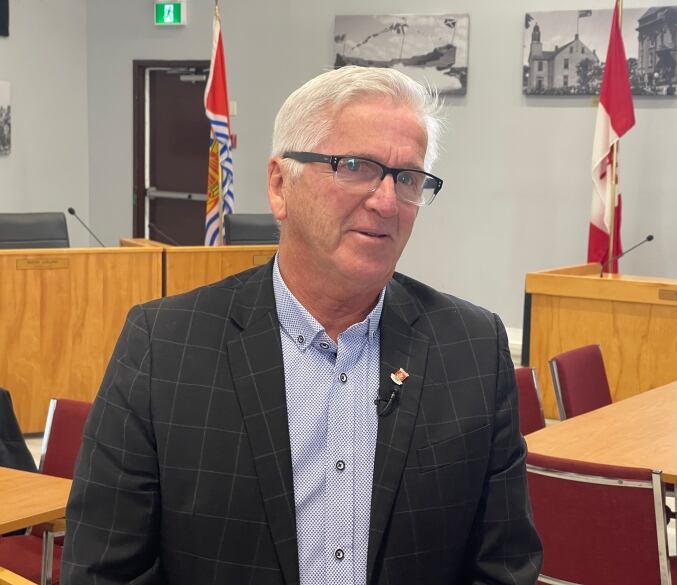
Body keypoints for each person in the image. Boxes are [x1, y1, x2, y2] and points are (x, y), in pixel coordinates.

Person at [63, 66, 542, 585]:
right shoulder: (165, 348)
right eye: (354, 165)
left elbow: (504, 566)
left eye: (406, 178)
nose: (385, 202)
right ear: (279, 186)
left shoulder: (471, 349)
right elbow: (104, 570)